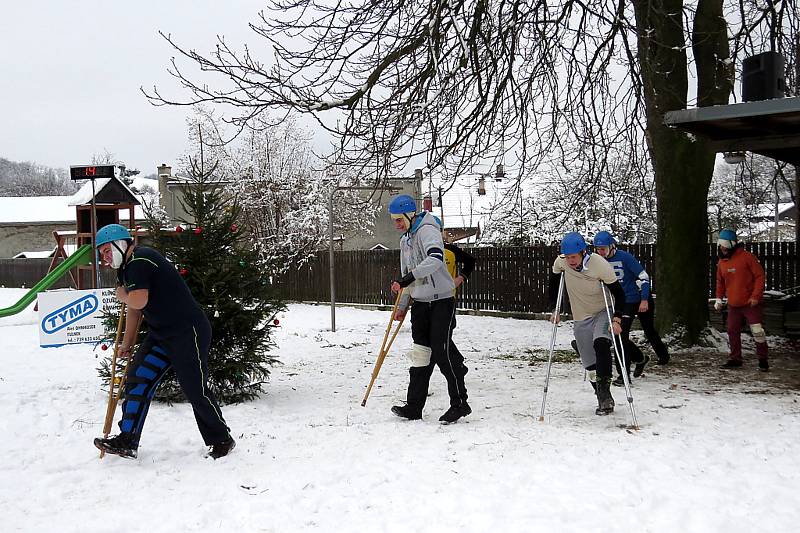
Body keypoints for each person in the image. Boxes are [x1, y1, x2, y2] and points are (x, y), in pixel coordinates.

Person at [92, 224, 235, 459]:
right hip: (162, 333)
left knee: (194, 389)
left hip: (188, 332)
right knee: (138, 378)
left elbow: (137, 299)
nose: (105, 258)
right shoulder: (126, 269)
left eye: (107, 251)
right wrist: (127, 345)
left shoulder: (141, 259)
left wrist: (123, 295)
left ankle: (221, 439)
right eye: (102, 254)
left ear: (121, 243)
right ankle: (127, 439)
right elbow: (135, 310)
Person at [388, 195, 471, 424]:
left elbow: (435, 258)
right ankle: (414, 406)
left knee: (441, 351)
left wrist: (407, 278)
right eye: (393, 220)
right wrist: (403, 305)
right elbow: (408, 277)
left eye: (398, 220)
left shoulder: (428, 230)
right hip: (421, 304)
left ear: (409, 215)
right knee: (421, 355)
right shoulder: (405, 241)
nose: (396, 224)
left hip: (442, 300)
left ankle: (460, 403)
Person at [550, 232, 626, 415]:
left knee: (601, 344)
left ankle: (606, 393)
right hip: (581, 315)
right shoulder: (560, 262)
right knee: (589, 362)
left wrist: (616, 318)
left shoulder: (599, 264)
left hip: (603, 310)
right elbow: (553, 283)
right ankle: (599, 393)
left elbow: (620, 294)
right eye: (567, 257)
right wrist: (555, 309)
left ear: (583, 252)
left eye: (574, 257)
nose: (570, 261)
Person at [593, 231, 671, 386]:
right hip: (622, 303)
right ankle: (635, 363)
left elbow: (643, 277)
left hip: (638, 298)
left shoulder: (625, 257)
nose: (601, 252)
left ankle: (663, 356)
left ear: (612, 246)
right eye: (598, 249)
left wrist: (644, 299)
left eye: (603, 248)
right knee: (618, 336)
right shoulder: (598, 262)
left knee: (648, 330)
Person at [713, 229, 769, 371]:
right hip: (733, 304)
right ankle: (735, 358)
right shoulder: (722, 262)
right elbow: (720, 282)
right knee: (732, 331)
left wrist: (756, 296)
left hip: (750, 303)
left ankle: (763, 359)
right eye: (721, 245)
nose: (722, 248)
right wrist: (718, 299)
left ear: (732, 244)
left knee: (757, 331)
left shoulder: (747, 257)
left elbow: (760, 276)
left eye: (725, 245)